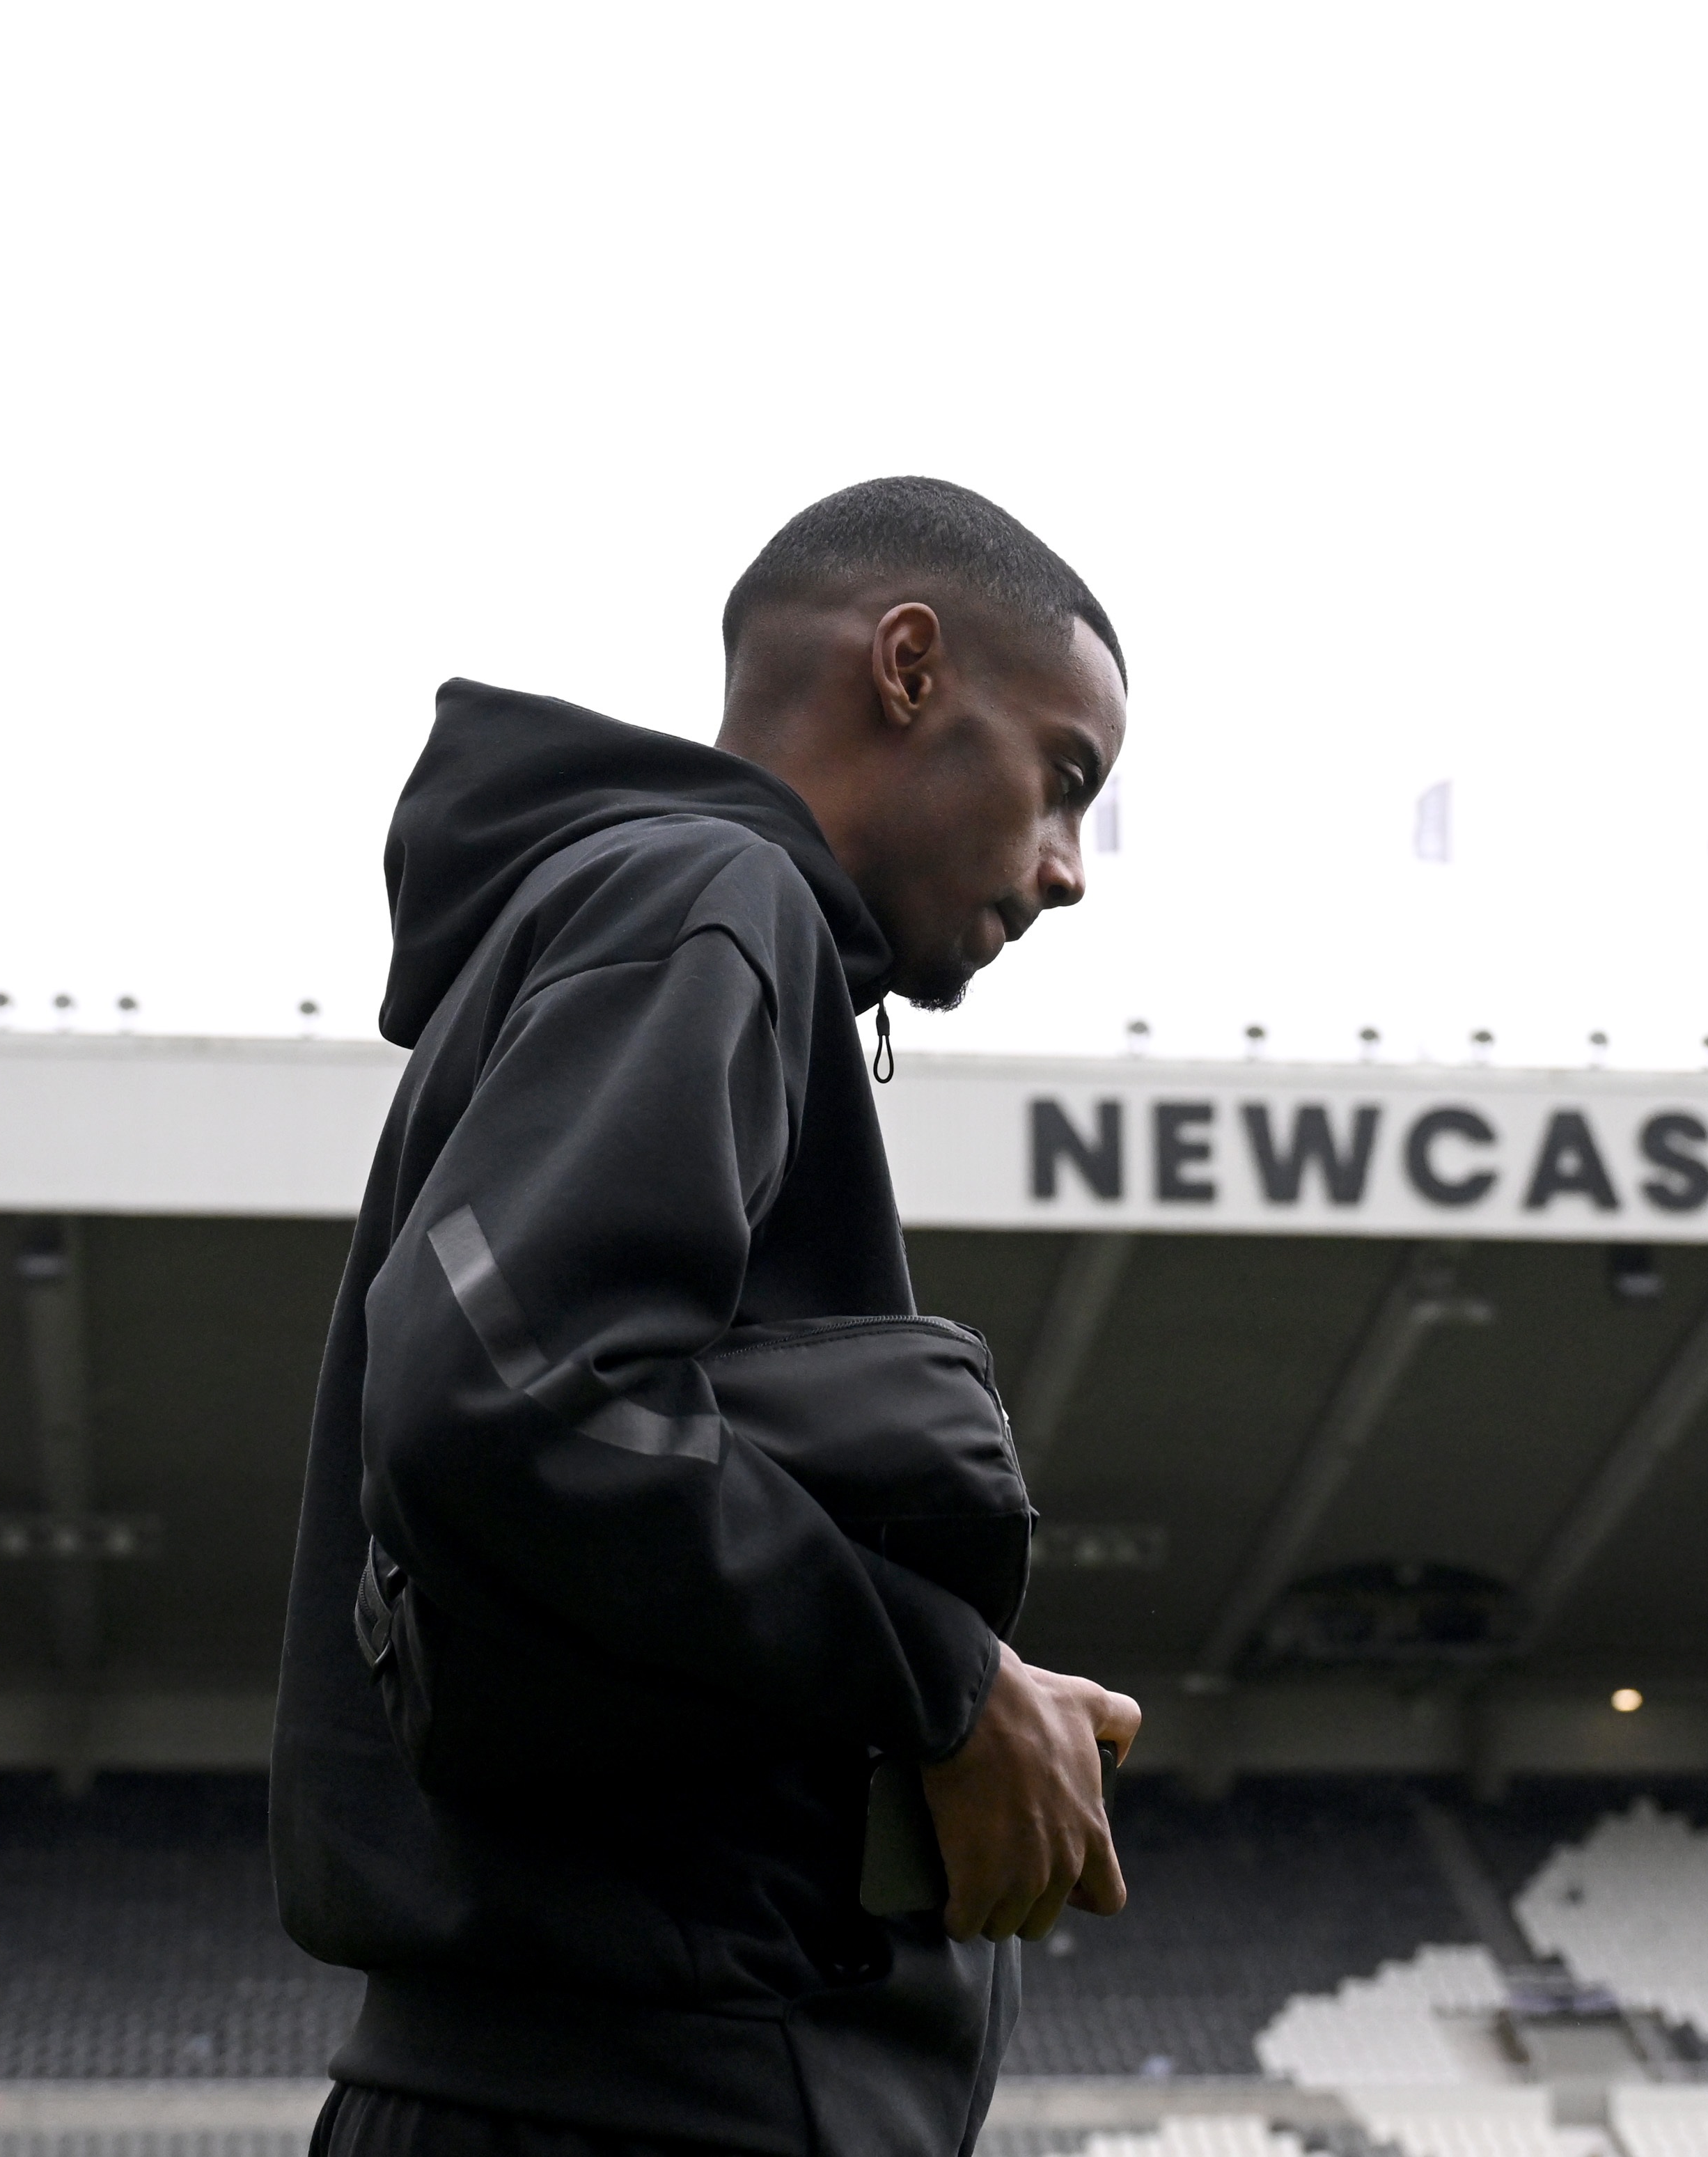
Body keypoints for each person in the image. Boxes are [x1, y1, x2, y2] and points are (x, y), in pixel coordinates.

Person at [272, 478, 1143, 2157]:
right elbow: (513, 1399)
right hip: (630, 2105)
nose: (1066, 870)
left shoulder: (658, 914)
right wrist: (941, 1683)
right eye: (1067, 779)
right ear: (907, 666)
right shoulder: (703, 901)